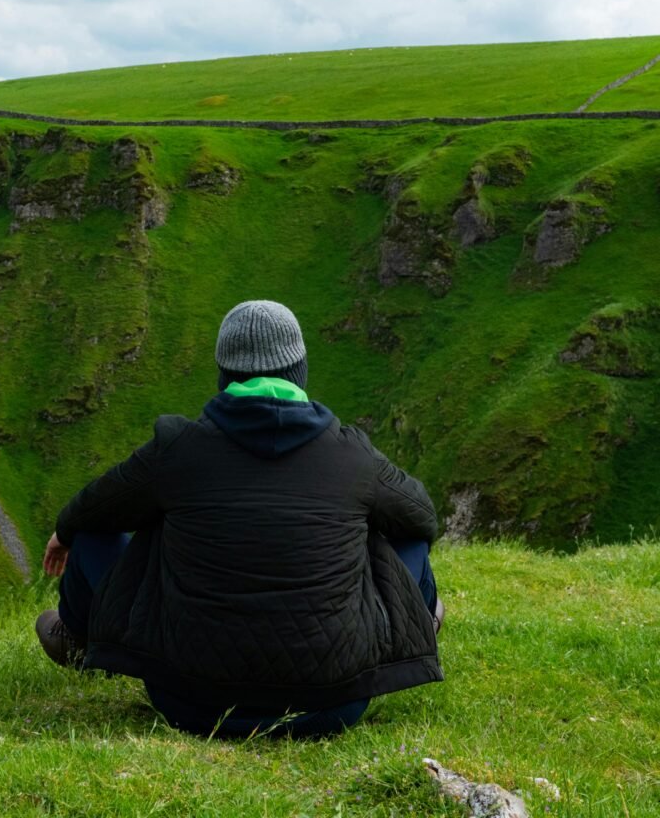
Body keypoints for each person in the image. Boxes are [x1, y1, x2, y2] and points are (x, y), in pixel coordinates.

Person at [36, 300, 444, 737]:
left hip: (188, 702)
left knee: (94, 529)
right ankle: (425, 621)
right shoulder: (353, 456)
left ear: (223, 376)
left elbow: (95, 507)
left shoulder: (176, 449)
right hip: (332, 704)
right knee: (407, 535)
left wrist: (64, 531)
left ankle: (77, 639)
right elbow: (422, 518)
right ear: (300, 371)